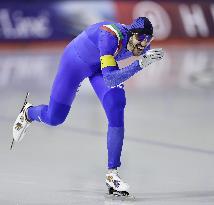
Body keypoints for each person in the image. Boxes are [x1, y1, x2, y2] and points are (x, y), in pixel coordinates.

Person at [12, 17, 164, 196]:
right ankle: (29, 112)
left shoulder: (141, 44)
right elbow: (110, 79)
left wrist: (143, 58)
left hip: (100, 66)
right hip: (75, 63)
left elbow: (111, 76)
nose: (144, 44)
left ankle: (112, 174)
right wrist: (139, 64)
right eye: (140, 39)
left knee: (116, 104)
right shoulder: (109, 37)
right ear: (131, 35)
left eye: (148, 40)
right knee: (55, 118)